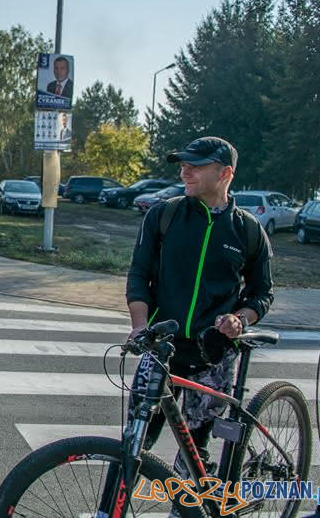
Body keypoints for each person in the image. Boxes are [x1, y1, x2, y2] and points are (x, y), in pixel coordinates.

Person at [125, 136, 272, 505]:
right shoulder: (164, 215)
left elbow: (262, 293)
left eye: (196, 165)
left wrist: (240, 319)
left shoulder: (247, 229)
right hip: (161, 349)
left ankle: (189, 509)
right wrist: (139, 325)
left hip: (212, 356)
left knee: (193, 456)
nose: (185, 172)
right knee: (134, 445)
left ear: (225, 173)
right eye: (183, 165)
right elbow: (139, 274)